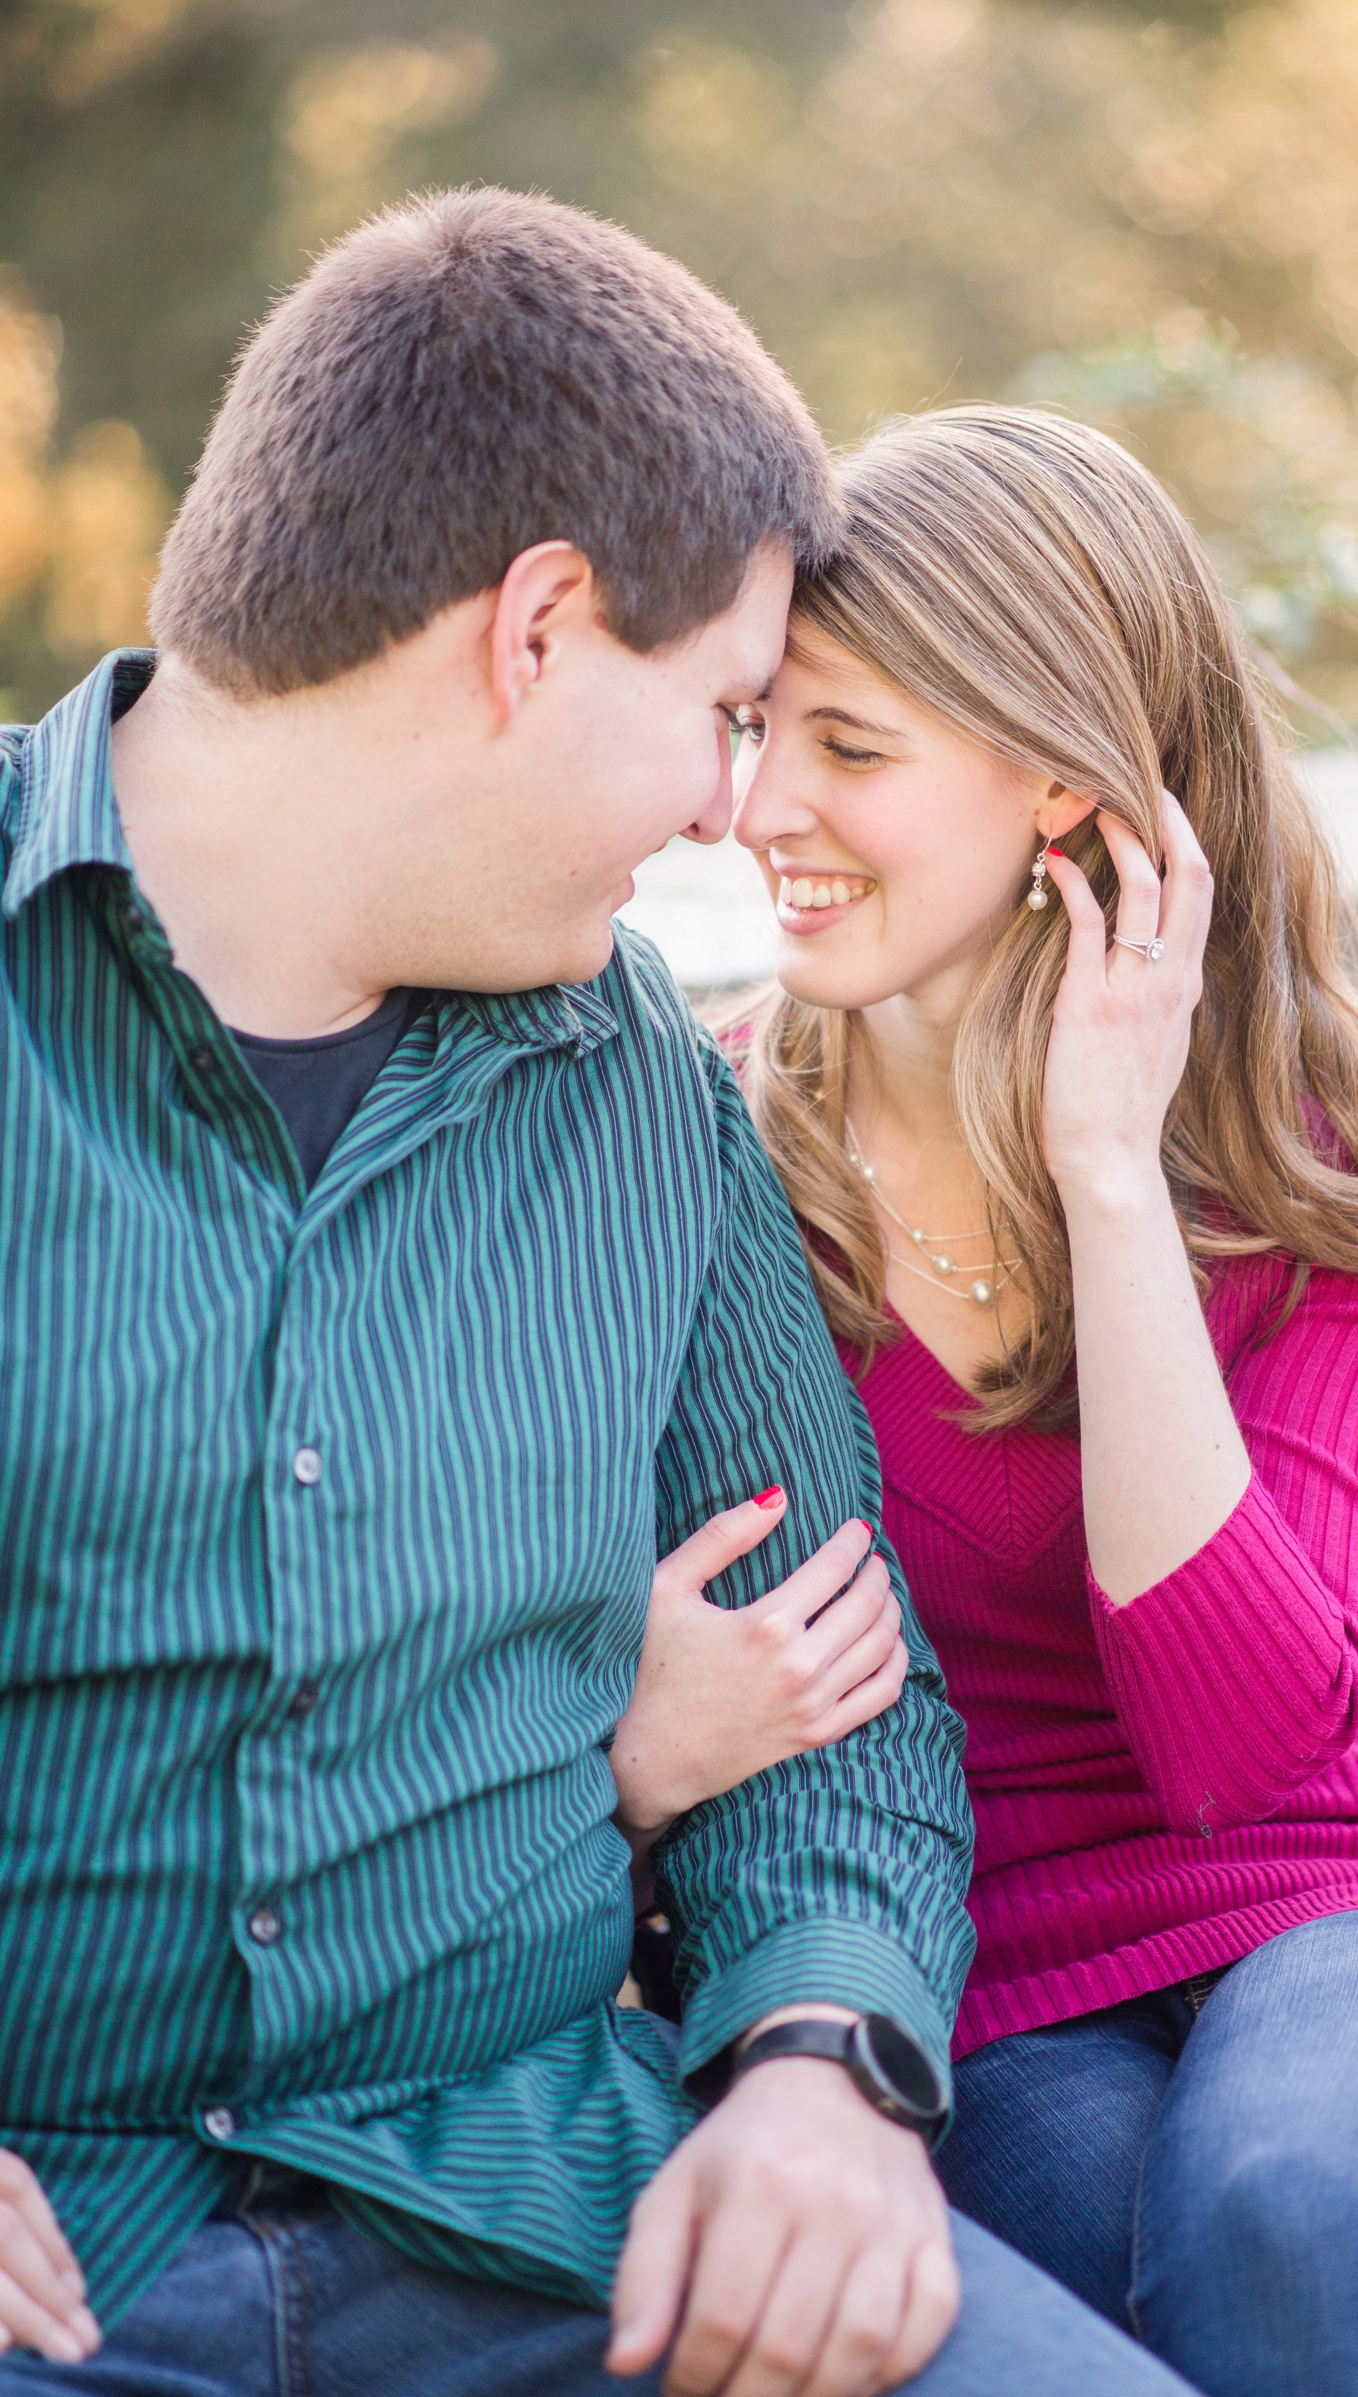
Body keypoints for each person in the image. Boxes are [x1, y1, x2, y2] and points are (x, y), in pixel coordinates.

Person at [0, 201, 1200, 2397]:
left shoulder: (638, 1081)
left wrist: (823, 2069)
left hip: (559, 2214)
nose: (736, 807)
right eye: (728, 709)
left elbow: (844, 1720)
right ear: (535, 630)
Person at [610, 404, 1358, 2397]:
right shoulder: (708, 1152)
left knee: (1282, 2211)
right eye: (756, 728)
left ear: (1061, 778)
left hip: (1355, 1926)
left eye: (849, 745)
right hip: (967, 1993)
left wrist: (1111, 1172)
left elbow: (1236, 1741)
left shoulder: (1314, 1141)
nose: (758, 805)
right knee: (1186, 2286)